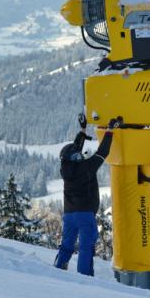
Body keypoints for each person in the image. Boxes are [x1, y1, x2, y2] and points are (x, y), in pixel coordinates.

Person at [54, 114, 119, 276]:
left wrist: (83, 129)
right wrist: (110, 130)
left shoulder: (65, 168)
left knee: (67, 244)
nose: (81, 154)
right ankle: (84, 277)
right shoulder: (87, 167)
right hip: (85, 214)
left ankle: (57, 269)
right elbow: (103, 151)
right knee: (85, 247)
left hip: (69, 214)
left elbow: (73, 149)